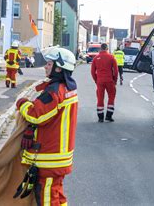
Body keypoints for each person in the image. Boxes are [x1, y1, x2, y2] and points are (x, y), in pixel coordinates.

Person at [15, 46, 78, 205]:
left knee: (48, 198)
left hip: (49, 156)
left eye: (49, 64)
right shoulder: (66, 88)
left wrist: (22, 103)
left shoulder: (54, 91)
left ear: (58, 68)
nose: (45, 66)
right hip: (58, 155)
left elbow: (36, 115)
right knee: (57, 195)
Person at [91, 43, 118, 122]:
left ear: (100, 49)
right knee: (111, 97)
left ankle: (100, 117)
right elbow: (116, 71)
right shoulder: (111, 57)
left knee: (100, 98)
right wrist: (115, 80)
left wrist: (96, 80)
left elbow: (92, 72)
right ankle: (108, 116)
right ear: (107, 49)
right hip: (110, 81)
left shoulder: (96, 58)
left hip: (100, 81)